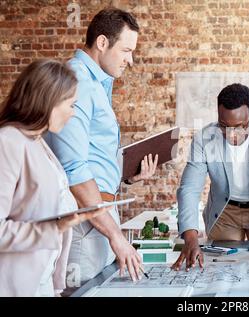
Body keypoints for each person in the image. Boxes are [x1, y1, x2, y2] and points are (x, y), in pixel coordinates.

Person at [45, 8, 158, 283]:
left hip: (100, 216)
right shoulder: (78, 82)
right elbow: (73, 169)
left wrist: (127, 177)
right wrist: (116, 236)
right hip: (86, 219)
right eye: (126, 51)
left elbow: (93, 155)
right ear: (103, 43)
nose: (130, 61)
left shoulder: (97, 82)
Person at [0, 59, 107, 296]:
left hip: (42, 283)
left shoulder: (38, 143)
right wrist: (55, 227)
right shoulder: (8, 142)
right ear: (48, 102)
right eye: (71, 105)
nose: (73, 114)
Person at [172, 83, 249, 271]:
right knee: (224, 270)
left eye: (238, 127)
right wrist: (191, 237)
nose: (231, 135)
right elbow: (190, 188)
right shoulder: (204, 138)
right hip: (225, 212)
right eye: (224, 126)